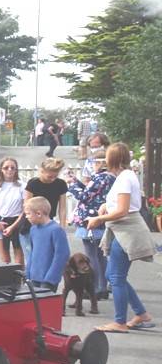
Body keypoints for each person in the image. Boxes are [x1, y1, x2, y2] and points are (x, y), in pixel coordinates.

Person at [87, 142, 156, 332]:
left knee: (116, 277)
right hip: (122, 230)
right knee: (113, 275)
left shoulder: (125, 178)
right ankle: (141, 314)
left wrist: (99, 218)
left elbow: (124, 211)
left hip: (127, 230)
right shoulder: (125, 176)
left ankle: (119, 322)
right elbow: (121, 205)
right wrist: (105, 207)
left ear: (113, 159)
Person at [67, 147, 114, 300]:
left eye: (93, 162)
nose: (91, 165)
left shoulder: (99, 178)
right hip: (102, 219)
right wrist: (77, 182)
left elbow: (84, 196)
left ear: (100, 163)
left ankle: (95, 287)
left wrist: (71, 185)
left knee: (91, 255)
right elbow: (91, 192)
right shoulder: (110, 177)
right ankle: (102, 286)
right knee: (101, 255)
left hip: (91, 220)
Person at [5, 157, 68, 265]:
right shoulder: (33, 183)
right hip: (29, 225)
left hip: (48, 223)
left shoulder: (60, 184)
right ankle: (31, 279)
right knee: (32, 257)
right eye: (49, 176)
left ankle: (43, 280)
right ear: (41, 171)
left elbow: (62, 208)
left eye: (55, 176)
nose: (52, 179)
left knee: (46, 256)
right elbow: (26, 207)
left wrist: (62, 227)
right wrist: (17, 225)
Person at [24, 196, 70, 290]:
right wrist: (28, 273)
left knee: (45, 304)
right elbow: (32, 253)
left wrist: (51, 278)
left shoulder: (56, 230)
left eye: (28, 214)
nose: (26, 216)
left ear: (39, 213)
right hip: (34, 277)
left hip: (48, 279)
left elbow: (62, 255)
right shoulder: (33, 229)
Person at [0, 157, 25, 267]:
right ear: (1, 170)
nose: (9, 170)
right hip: (0, 222)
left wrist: (13, 226)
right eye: (6, 167)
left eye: (12, 168)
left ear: (16, 170)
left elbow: (25, 209)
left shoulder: (22, 185)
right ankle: (7, 281)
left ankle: (20, 281)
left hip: (17, 222)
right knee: (4, 258)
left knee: (19, 257)